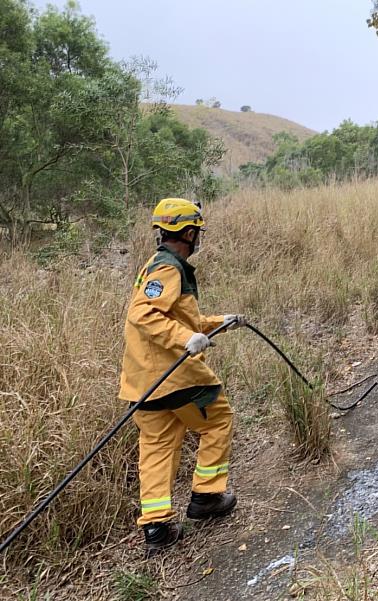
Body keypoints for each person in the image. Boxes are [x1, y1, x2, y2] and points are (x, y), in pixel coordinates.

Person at [118, 198, 245, 557]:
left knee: (157, 445)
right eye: (197, 232)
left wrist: (220, 321)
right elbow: (144, 315)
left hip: (143, 383)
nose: (198, 238)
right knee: (218, 419)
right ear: (189, 232)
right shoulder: (169, 269)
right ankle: (207, 496)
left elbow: (180, 320)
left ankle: (157, 526)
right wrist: (185, 340)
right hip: (172, 378)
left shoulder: (157, 265)